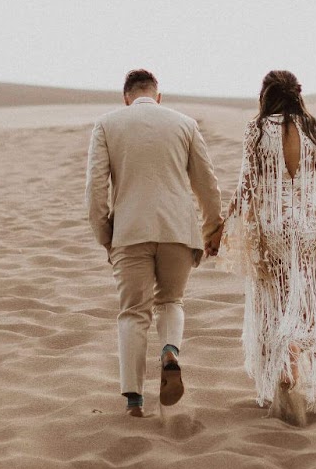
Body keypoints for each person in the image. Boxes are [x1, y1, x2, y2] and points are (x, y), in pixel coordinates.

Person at [210, 70, 316, 426]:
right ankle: (294, 356)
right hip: (310, 226)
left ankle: (286, 365)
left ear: (267, 95)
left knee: (276, 302)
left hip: (272, 228)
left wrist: (222, 228)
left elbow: (246, 187)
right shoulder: (314, 128)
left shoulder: (258, 130)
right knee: (308, 299)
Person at [87, 69, 223, 417]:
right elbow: (207, 184)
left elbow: (95, 190)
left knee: (133, 312)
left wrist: (106, 237)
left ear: (126, 97)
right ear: (158, 96)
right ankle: (169, 350)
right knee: (171, 300)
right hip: (178, 229)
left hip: (130, 232)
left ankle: (134, 400)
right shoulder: (184, 124)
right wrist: (212, 230)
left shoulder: (107, 125)